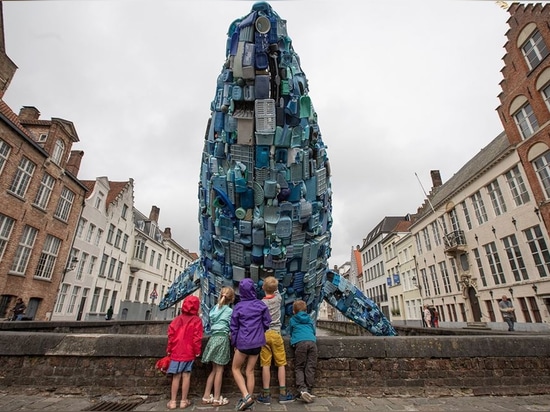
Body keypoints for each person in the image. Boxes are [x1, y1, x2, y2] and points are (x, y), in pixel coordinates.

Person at [230, 278, 271, 411]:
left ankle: (246, 396)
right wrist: (260, 332)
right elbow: (267, 322)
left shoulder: (239, 307)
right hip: (257, 343)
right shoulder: (261, 305)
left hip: (243, 342)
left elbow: (234, 328)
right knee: (250, 371)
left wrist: (234, 343)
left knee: (235, 369)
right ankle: (250, 401)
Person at [257, 276, 294, 405]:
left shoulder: (261, 303)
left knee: (265, 364)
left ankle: (266, 394)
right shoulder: (278, 299)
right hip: (276, 334)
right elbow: (276, 290)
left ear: (263, 288)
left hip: (265, 334)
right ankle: (283, 393)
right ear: (275, 289)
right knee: (281, 363)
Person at [165, 295, 203, 410]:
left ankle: (172, 401)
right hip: (189, 351)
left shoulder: (176, 320)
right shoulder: (197, 320)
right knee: (186, 375)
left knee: (176, 377)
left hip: (176, 351)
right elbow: (197, 338)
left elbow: (171, 336)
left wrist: (169, 349)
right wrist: (197, 351)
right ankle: (183, 401)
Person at [200, 286, 235, 407]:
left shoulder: (214, 309)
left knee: (214, 370)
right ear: (232, 299)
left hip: (213, 339)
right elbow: (232, 326)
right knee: (220, 370)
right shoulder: (229, 311)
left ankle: (206, 395)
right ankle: (216, 398)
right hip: (222, 339)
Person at [288, 299, 317, 404]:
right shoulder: (309, 319)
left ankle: (302, 390)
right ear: (306, 310)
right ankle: (309, 389)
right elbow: (313, 331)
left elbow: (291, 332)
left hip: (300, 343)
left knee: (299, 367)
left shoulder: (292, 319)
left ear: (294, 311)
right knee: (310, 366)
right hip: (312, 343)